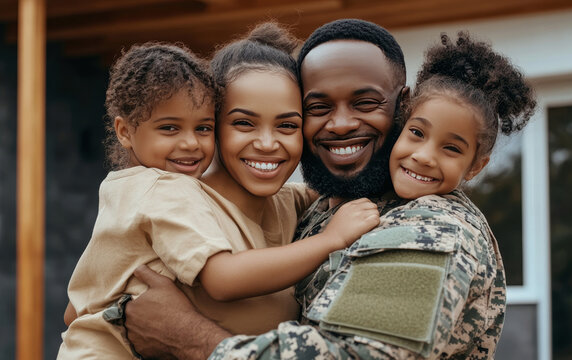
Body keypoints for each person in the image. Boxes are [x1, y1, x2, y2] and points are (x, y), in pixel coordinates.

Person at [123, 19, 534, 359]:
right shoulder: (323, 208)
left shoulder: (430, 225)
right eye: (317, 108)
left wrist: (185, 337)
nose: (339, 124)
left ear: (404, 105)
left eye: (365, 102)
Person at [58, 24, 380, 359]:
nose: (268, 144)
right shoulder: (168, 191)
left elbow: (77, 304)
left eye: (287, 125)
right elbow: (80, 309)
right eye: (243, 122)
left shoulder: (288, 204)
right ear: (218, 123)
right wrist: (330, 240)